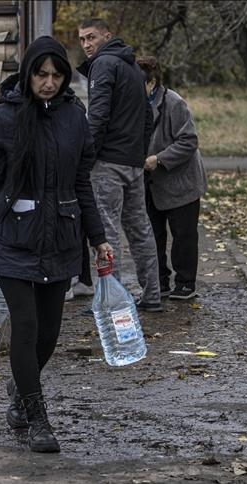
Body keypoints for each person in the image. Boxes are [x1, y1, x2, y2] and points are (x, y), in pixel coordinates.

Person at [0, 36, 113, 453]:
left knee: (48, 334)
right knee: (25, 327)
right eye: (41, 74)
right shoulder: (3, 119)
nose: (49, 82)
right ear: (27, 74)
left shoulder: (74, 119)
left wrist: (98, 238)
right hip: (12, 238)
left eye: (57, 75)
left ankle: (19, 389)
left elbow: (82, 184)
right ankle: (37, 418)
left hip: (61, 236)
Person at [76, 19, 162, 312]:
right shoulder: (134, 68)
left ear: (107, 36)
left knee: (106, 232)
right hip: (132, 163)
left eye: (91, 37)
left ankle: (110, 303)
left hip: (108, 164)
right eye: (82, 39)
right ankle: (152, 295)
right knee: (140, 229)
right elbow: (148, 117)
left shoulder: (103, 65)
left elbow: (97, 116)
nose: (86, 44)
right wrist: (139, 153)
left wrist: (86, 158)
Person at [137, 56, 207, 300]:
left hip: (181, 182)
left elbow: (189, 140)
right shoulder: (134, 104)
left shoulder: (174, 103)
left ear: (152, 83)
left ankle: (186, 283)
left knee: (183, 236)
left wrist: (159, 159)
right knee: (152, 236)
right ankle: (159, 282)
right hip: (152, 183)